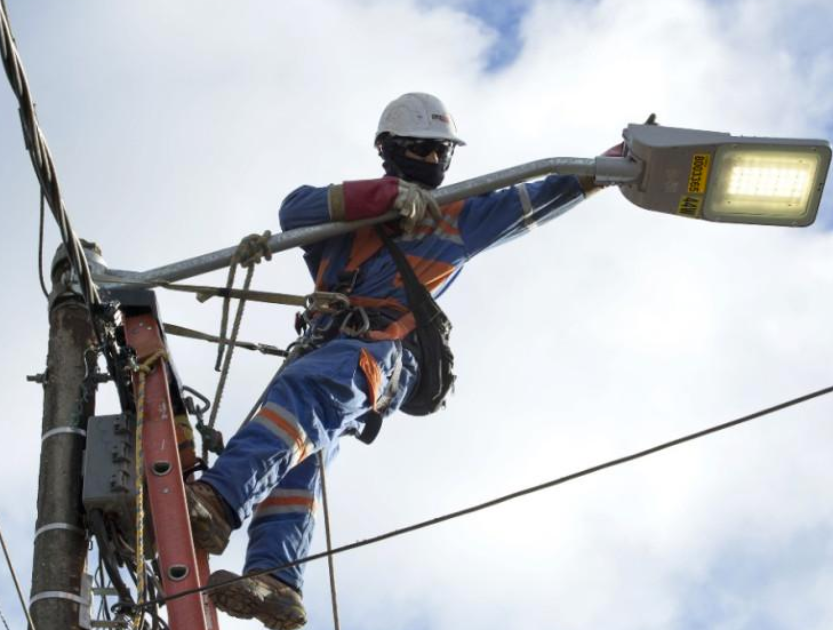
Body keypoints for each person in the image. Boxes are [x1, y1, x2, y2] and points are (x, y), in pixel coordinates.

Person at [184, 92, 611, 629]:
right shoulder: (349, 214)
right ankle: (275, 579)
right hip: (330, 345)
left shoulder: (460, 213)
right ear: (390, 149)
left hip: (382, 350)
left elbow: (541, 195)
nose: (433, 162)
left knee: (306, 398)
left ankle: (219, 502)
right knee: (298, 453)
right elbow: (295, 207)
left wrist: (610, 166)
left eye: (440, 153)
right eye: (421, 151)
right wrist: (387, 197)